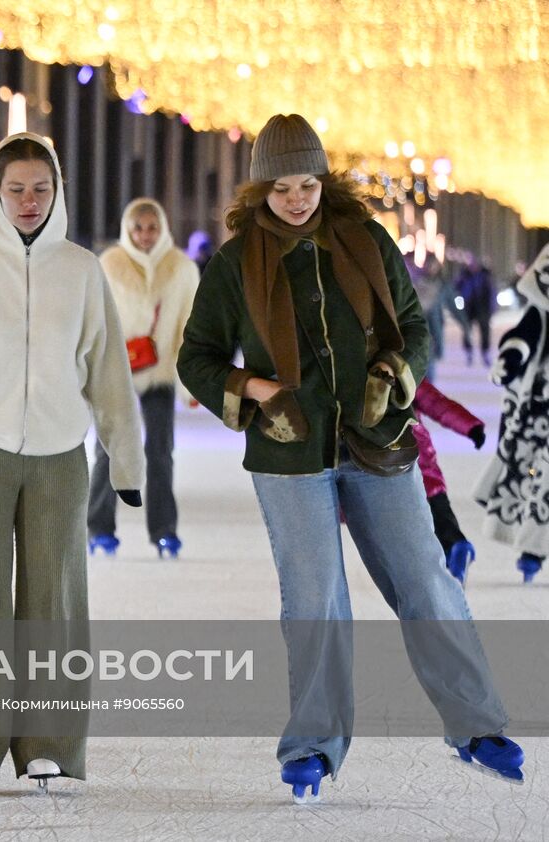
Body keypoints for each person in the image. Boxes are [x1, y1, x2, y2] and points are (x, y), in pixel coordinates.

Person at [177, 114, 523, 803]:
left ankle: (477, 725)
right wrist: (257, 390)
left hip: (377, 440)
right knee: (316, 599)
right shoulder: (236, 264)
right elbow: (198, 358)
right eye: (281, 188)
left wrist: (394, 373)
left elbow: (414, 327)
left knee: (425, 580)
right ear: (261, 190)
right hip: (290, 451)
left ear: (323, 180)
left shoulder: (365, 240)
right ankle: (312, 745)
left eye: (307, 184)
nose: (296, 199)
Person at [0, 133, 145, 789]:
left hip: (58, 457)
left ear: (57, 193)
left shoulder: (82, 270)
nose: (28, 201)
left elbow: (109, 374)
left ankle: (50, 742)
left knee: (56, 602)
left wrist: (126, 465)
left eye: (40, 189)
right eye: (15, 189)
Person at [88, 198, 199, 557]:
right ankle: (99, 527)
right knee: (109, 449)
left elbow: (188, 326)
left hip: (160, 371)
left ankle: (165, 530)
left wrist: (190, 384)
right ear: (127, 229)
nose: (145, 235)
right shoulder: (109, 265)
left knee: (160, 452)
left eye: (152, 227)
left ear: (163, 228)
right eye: (138, 228)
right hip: (116, 371)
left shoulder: (181, 268)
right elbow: (94, 321)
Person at [474, 242, 549, 583]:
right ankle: (533, 550)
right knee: (537, 476)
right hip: (539, 408)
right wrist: (511, 358)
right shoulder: (541, 310)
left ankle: (533, 550)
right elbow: (524, 334)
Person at [409, 379, 486, 583]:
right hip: (422, 461)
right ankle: (456, 544)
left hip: (393, 466)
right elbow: (438, 404)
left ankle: (442, 561)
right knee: (439, 511)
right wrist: (470, 426)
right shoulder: (407, 373)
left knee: (414, 523)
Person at [457, 257, 495, 366]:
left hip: (482, 307)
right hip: (468, 307)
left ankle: (485, 352)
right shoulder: (464, 276)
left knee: (485, 331)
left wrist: (492, 308)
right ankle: (469, 352)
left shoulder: (485, 276)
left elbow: (491, 293)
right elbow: (457, 289)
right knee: (467, 330)